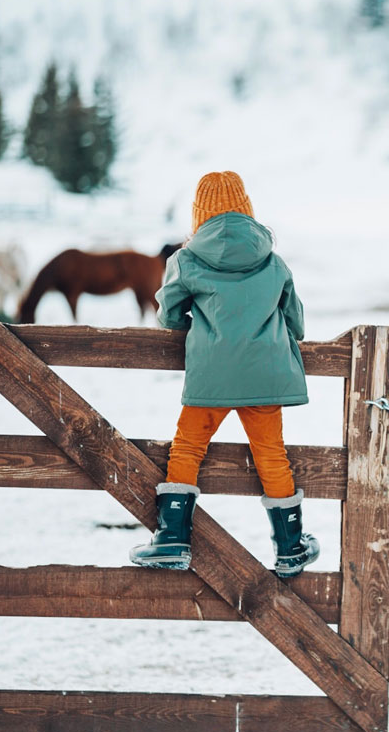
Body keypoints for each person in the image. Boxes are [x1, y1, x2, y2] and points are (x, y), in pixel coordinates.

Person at [129, 171, 319, 578]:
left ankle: (172, 539)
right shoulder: (273, 260)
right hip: (265, 379)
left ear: (199, 216)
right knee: (271, 455)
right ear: (247, 211)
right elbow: (296, 324)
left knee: (187, 449)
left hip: (210, 379)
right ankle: (290, 548)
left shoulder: (185, 259)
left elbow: (168, 318)